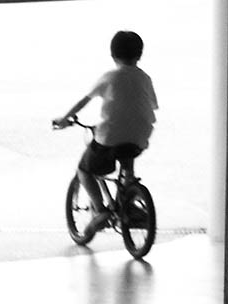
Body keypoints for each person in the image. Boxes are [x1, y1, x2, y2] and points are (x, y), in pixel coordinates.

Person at [52, 30, 159, 239]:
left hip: (110, 137)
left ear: (113, 55)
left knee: (84, 170)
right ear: (139, 55)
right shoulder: (145, 78)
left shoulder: (110, 77)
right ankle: (129, 194)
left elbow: (84, 101)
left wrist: (65, 119)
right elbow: (153, 105)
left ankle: (101, 211)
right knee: (128, 156)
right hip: (140, 136)